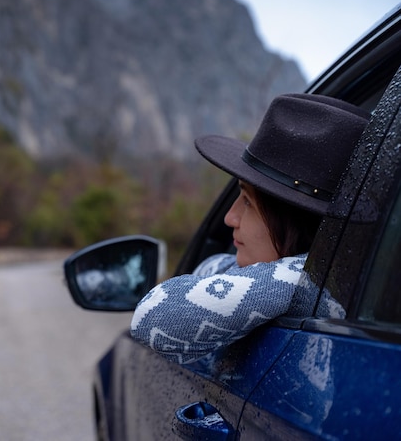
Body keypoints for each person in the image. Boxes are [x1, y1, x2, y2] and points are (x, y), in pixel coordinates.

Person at [130, 93, 371, 364]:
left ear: (295, 220)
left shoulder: (314, 288)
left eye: (247, 201)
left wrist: (308, 272)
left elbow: (151, 316)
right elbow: (213, 266)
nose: (230, 218)